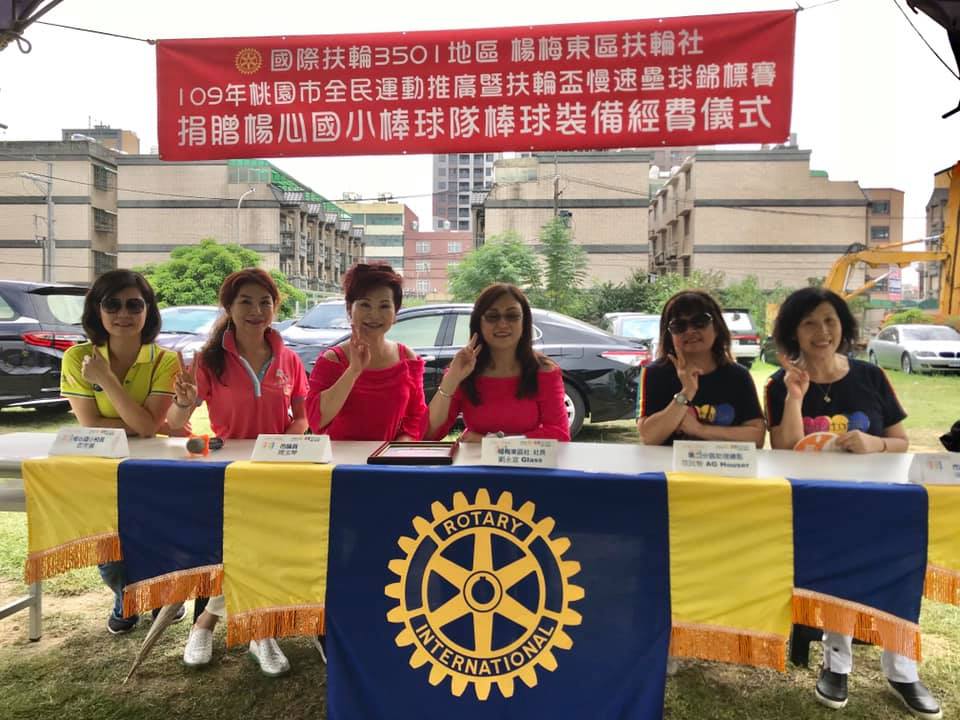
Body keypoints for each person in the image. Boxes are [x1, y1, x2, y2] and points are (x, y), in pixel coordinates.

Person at [766, 287, 941, 719]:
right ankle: (836, 663)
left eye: (829, 320)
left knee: (898, 575)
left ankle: (903, 670)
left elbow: (900, 442)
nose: (821, 331)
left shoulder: (871, 376)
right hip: (818, 506)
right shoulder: (779, 384)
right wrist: (795, 396)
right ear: (793, 333)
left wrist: (874, 443)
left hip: (880, 502)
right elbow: (784, 449)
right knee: (837, 575)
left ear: (842, 326)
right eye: (809, 323)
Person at [167, 268, 308, 677]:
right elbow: (176, 426)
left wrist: (282, 444)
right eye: (245, 301)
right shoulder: (210, 361)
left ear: (275, 308)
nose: (256, 310)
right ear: (228, 307)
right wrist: (183, 402)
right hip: (228, 475)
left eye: (265, 302)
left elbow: (301, 418)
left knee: (266, 549)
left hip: (277, 472)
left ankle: (214, 623)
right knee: (244, 550)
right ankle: (251, 629)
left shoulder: (289, 358)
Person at [60, 269, 186, 635]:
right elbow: (90, 422)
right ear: (96, 310)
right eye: (112, 304)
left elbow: (148, 427)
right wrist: (140, 418)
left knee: (156, 538)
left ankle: (160, 596)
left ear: (148, 311)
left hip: (152, 469)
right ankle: (125, 598)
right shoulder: (77, 358)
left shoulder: (165, 360)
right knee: (109, 551)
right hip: (100, 469)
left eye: (134, 305)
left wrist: (106, 381)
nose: (123, 314)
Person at [426, 283, 570, 442]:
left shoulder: (544, 372)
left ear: (524, 322)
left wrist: (492, 442)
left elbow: (559, 434)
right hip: (475, 458)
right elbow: (429, 434)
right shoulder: (464, 371)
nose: (502, 324)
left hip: (525, 459)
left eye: (512, 316)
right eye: (492, 317)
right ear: (479, 323)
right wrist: (451, 379)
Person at [306, 262, 426, 441]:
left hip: (388, 457)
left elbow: (417, 417)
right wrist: (353, 371)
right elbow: (316, 421)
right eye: (365, 305)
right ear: (350, 309)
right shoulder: (333, 360)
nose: (374, 315)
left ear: (395, 312)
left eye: (384, 306)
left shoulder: (407, 358)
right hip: (340, 458)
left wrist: (400, 446)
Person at [637, 290, 764, 448]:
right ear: (669, 335)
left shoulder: (738, 376)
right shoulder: (655, 373)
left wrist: (700, 429)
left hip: (723, 462)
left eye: (700, 322)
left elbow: (757, 437)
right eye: (679, 326)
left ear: (717, 327)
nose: (690, 331)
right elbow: (649, 437)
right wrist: (686, 392)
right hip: (668, 464)